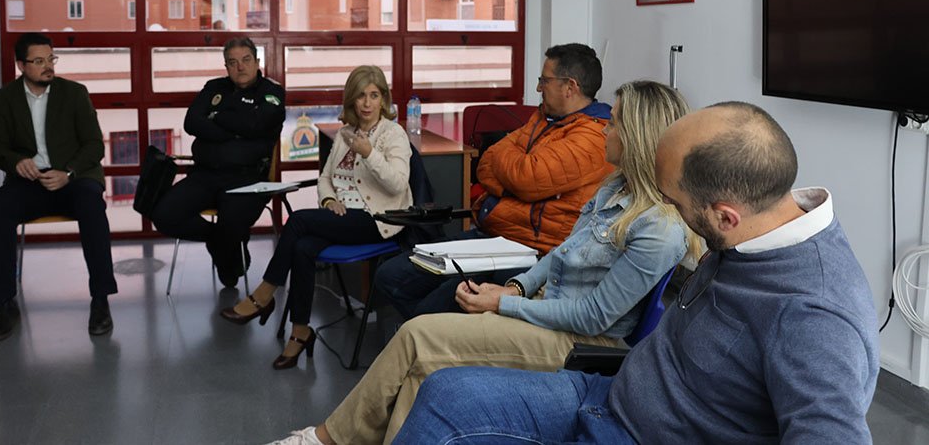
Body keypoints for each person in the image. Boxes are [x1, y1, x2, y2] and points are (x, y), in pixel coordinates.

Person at [396, 102, 880, 445]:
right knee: (443, 393)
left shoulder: (815, 315)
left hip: (636, 433)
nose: (666, 207)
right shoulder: (755, 224)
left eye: (674, 201)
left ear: (724, 215)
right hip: (610, 396)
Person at [268, 80, 702, 445]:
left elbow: (593, 317)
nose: (605, 127)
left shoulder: (659, 228)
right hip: (548, 311)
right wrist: (516, 286)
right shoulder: (614, 188)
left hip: (577, 341)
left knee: (417, 335)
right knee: (423, 370)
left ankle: (325, 439)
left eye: (616, 121)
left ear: (639, 136)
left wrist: (502, 303)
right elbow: (561, 253)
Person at [376, 43, 615, 319]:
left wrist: (517, 181)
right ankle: (437, 335)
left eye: (545, 80)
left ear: (570, 87)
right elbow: (487, 163)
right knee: (390, 276)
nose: (538, 88)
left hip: (529, 251)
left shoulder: (592, 138)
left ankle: (434, 336)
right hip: (493, 235)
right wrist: (516, 182)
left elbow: (526, 178)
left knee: (431, 311)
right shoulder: (544, 118)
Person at [219, 65, 412, 370]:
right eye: (361, 95)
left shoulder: (393, 134)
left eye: (374, 95)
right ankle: (300, 332)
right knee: (302, 247)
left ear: (383, 99)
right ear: (351, 99)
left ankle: (264, 295)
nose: (367, 103)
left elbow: (398, 184)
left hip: (377, 220)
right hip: (343, 218)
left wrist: (369, 153)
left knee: (297, 222)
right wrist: (329, 199)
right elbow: (325, 178)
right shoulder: (346, 134)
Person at [0, 32, 118, 341]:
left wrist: (68, 172)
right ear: (21, 65)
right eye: (39, 61)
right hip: (29, 182)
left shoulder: (74, 93)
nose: (48, 66)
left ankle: (100, 299)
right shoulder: (4, 99)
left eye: (51, 59)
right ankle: (5, 303)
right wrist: (16, 161)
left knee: (92, 206)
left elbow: (94, 145)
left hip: (73, 179)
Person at [150, 36, 285, 287]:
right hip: (205, 175)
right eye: (232, 62)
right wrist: (236, 129)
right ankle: (218, 242)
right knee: (164, 215)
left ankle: (228, 258)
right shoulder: (214, 87)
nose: (240, 67)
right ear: (226, 66)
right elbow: (191, 122)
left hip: (247, 179)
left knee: (231, 224)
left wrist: (217, 117)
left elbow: (257, 124)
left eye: (246, 60)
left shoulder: (271, 92)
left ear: (257, 62)